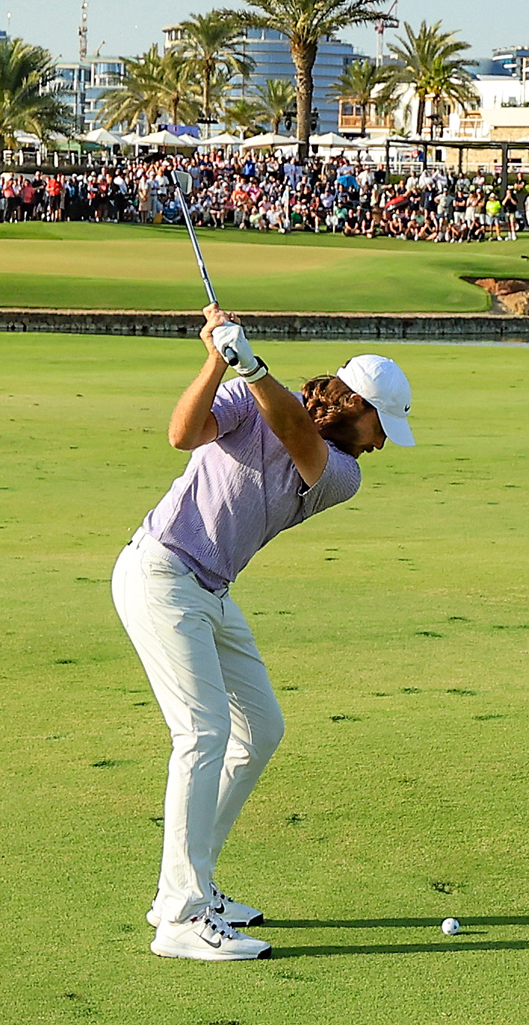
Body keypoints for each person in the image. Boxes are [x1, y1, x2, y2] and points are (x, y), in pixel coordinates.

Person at [114, 305, 415, 961]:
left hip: (210, 588)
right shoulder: (245, 401)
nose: (383, 442)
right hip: (161, 571)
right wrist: (219, 359)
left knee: (262, 727)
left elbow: (299, 437)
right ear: (355, 405)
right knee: (203, 731)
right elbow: (181, 432)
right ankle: (182, 915)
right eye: (380, 425)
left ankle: (200, 884)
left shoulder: (342, 472)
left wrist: (251, 363)